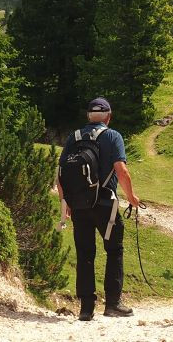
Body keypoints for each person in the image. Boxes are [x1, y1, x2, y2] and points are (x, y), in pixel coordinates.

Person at [57, 97, 142, 321]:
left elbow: (61, 174)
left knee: (85, 254)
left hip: (79, 207)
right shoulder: (112, 136)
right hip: (106, 204)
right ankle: (113, 304)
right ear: (108, 117)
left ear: (88, 117)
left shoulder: (73, 137)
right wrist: (132, 198)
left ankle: (86, 309)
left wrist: (65, 204)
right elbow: (121, 171)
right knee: (114, 251)